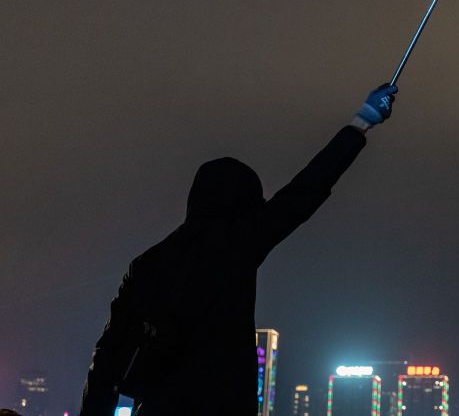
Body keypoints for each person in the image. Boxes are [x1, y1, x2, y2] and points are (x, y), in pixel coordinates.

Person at [79, 83, 398, 416]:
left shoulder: (147, 264)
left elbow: (108, 355)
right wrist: (362, 122)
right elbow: (305, 191)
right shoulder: (236, 244)